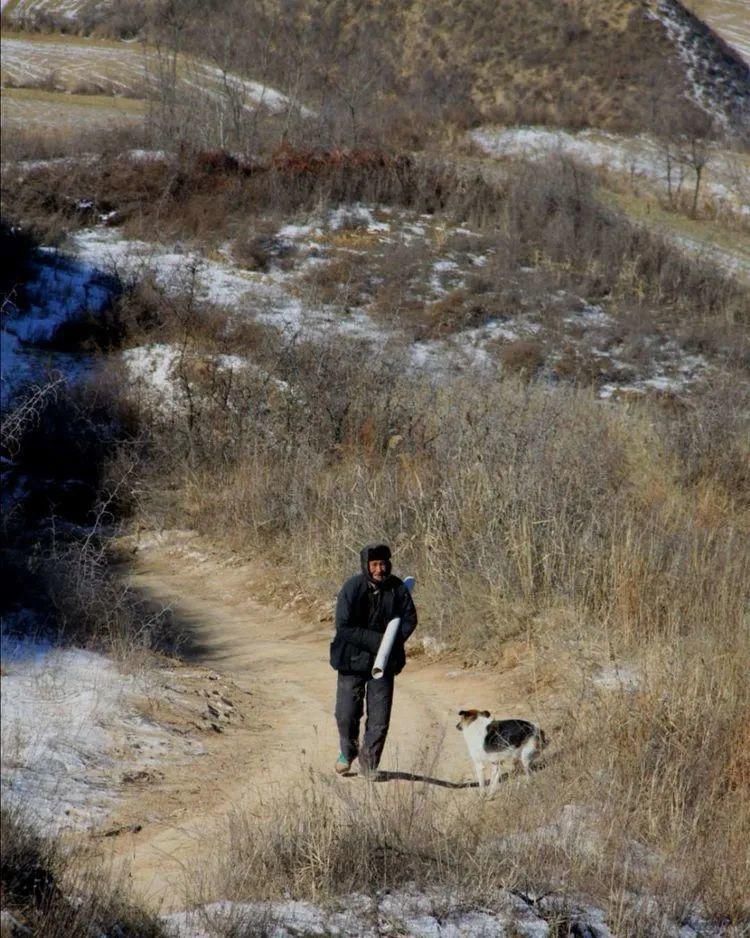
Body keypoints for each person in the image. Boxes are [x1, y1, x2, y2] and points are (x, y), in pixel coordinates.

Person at [329, 543, 417, 776]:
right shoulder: (352, 588)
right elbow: (344, 627)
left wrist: (392, 644)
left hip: (385, 664)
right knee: (346, 713)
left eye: (384, 564)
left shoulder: (398, 589)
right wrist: (380, 641)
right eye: (375, 564)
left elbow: (409, 620)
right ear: (366, 566)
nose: (380, 569)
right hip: (351, 661)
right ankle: (347, 753)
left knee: (379, 718)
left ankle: (369, 765)